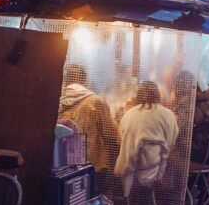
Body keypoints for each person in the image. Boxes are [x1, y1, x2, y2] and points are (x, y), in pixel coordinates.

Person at [59, 64, 121, 196]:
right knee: (93, 199)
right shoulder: (95, 101)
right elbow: (110, 132)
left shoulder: (59, 101)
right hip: (92, 164)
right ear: (84, 80)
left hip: (63, 164)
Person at [114, 81, 180, 196]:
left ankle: (127, 204)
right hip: (157, 172)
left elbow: (119, 140)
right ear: (158, 95)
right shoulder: (168, 114)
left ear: (137, 96)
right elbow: (171, 142)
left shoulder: (129, 114)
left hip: (130, 172)